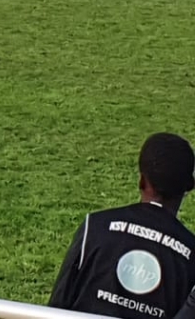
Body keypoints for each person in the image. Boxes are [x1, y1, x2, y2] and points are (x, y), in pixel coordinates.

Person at [49, 133, 195, 319]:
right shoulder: (191, 253)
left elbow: (55, 308)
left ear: (141, 180)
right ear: (189, 186)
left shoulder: (94, 227)